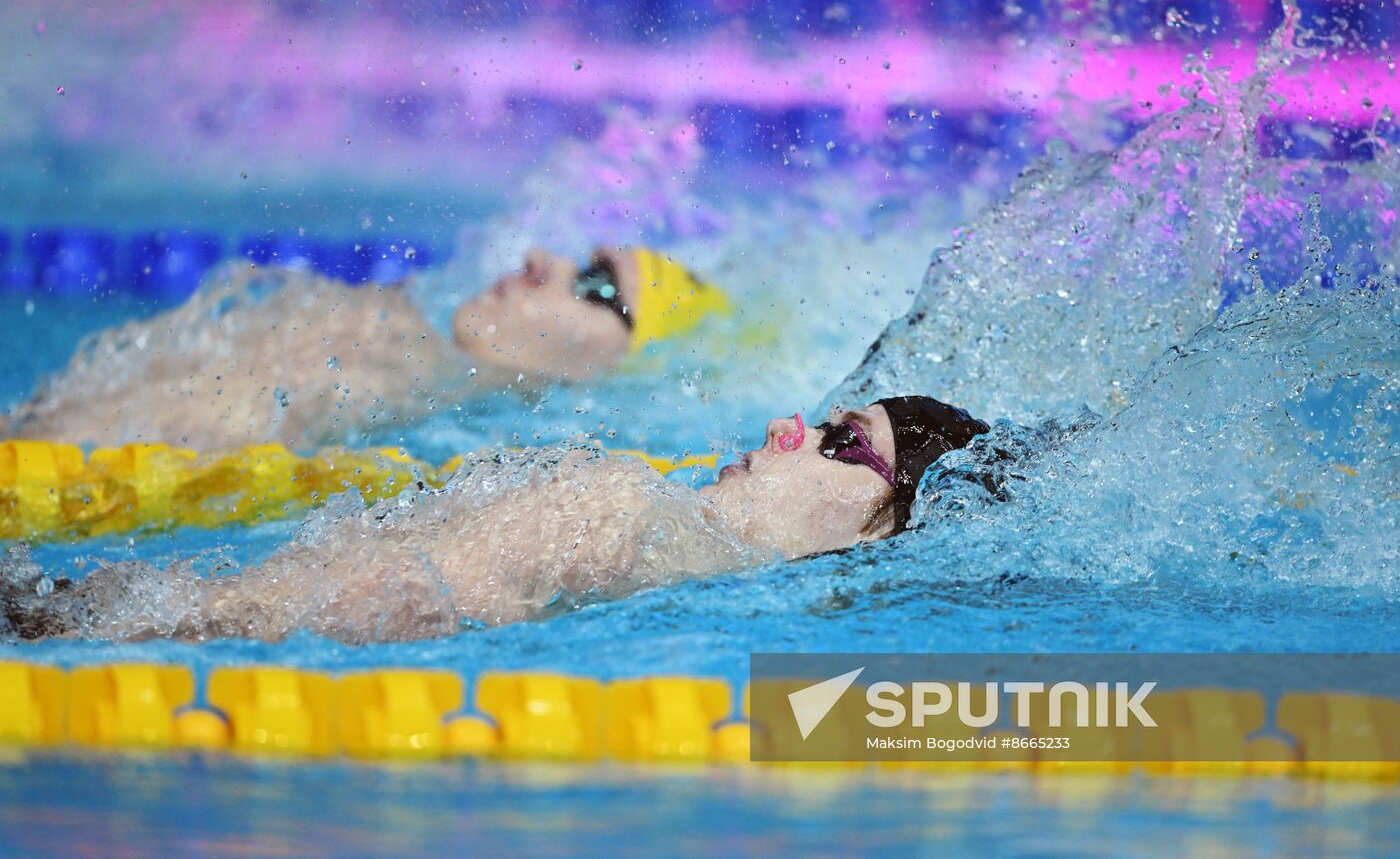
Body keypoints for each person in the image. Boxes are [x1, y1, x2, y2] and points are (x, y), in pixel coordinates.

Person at [1, 396, 988, 645]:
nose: (785, 424)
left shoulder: (617, 504)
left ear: (882, 530)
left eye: (835, 442)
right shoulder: (683, 571)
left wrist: (49, 620)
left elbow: (370, 600)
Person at [1, 246, 731, 452]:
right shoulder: (381, 331)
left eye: (599, 287)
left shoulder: (440, 410)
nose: (544, 259)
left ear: (622, 367)